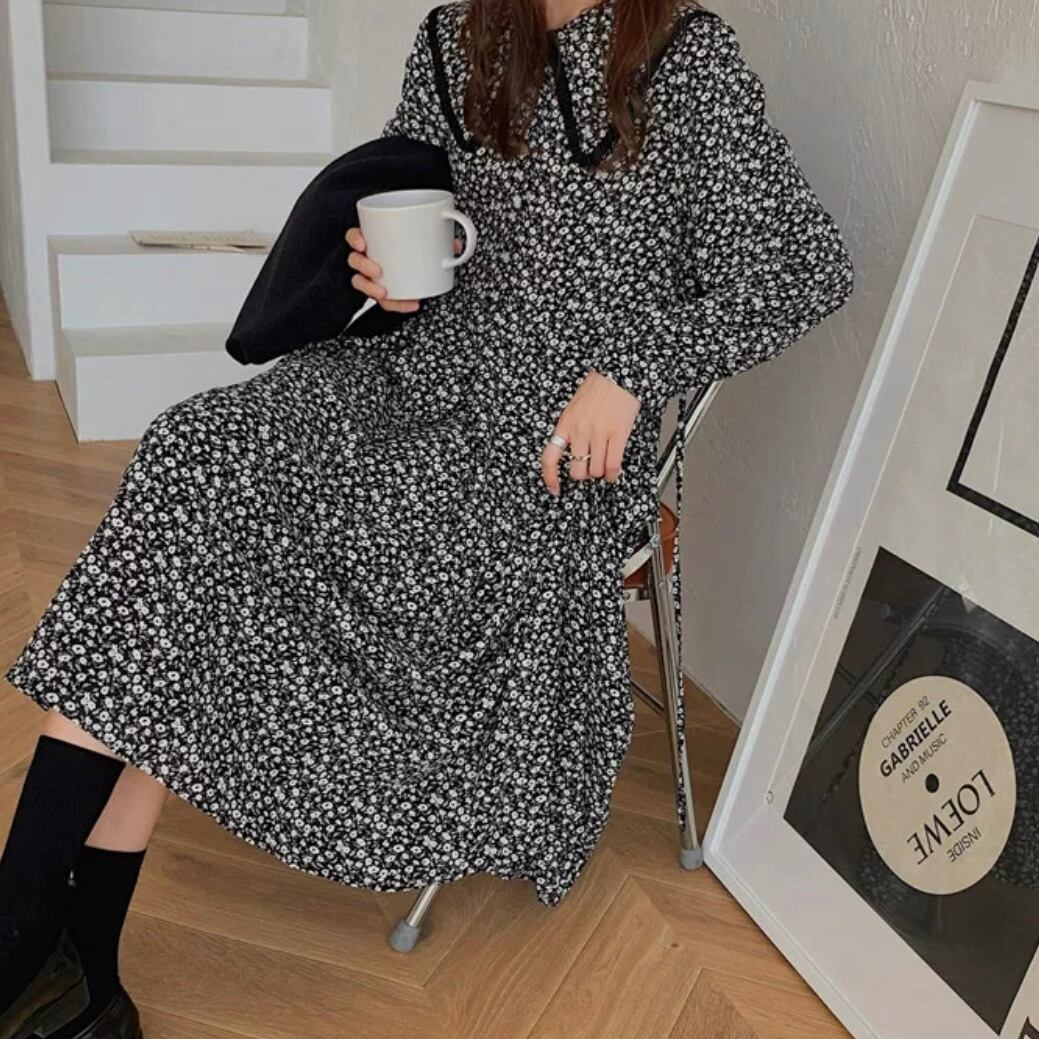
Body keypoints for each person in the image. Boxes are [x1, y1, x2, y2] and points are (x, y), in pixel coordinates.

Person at [0, 0, 854, 1034]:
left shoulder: (684, 60)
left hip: (546, 451)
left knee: (206, 568)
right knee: (197, 456)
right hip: (404, 383)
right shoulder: (455, 37)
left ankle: (45, 952)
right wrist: (383, 277)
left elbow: (803, 266)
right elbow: (414, 213)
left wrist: (632, 370)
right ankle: (57, 957)